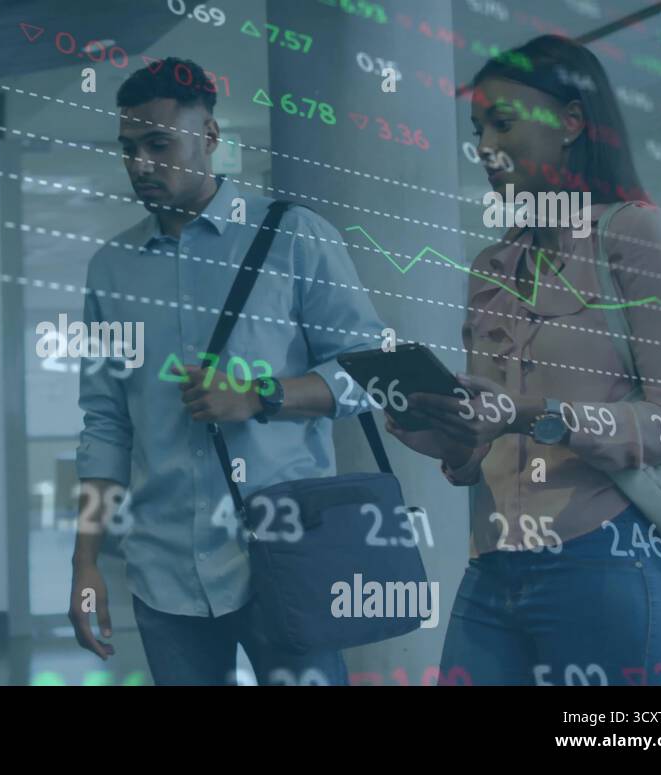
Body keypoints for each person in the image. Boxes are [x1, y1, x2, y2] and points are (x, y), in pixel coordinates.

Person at [388, 36, 661, 685]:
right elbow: (486, 445)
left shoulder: (635, 233)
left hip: (610, 559)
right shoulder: (491, 266)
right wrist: (451, 435)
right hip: (495, 563)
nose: (483, 145)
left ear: (571, 122)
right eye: (477, 128)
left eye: (502, 123)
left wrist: (541, 414)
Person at [66, 57, 388, 685]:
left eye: (159, 143)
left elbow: (372, 371)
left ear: (209, 136)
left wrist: (261, 395)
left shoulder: (294, 237)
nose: (140, 164)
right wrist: (85, 564)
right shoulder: (112, 269)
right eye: (128, 148)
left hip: (284, 555)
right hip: (162, 571)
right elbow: (104, 422)